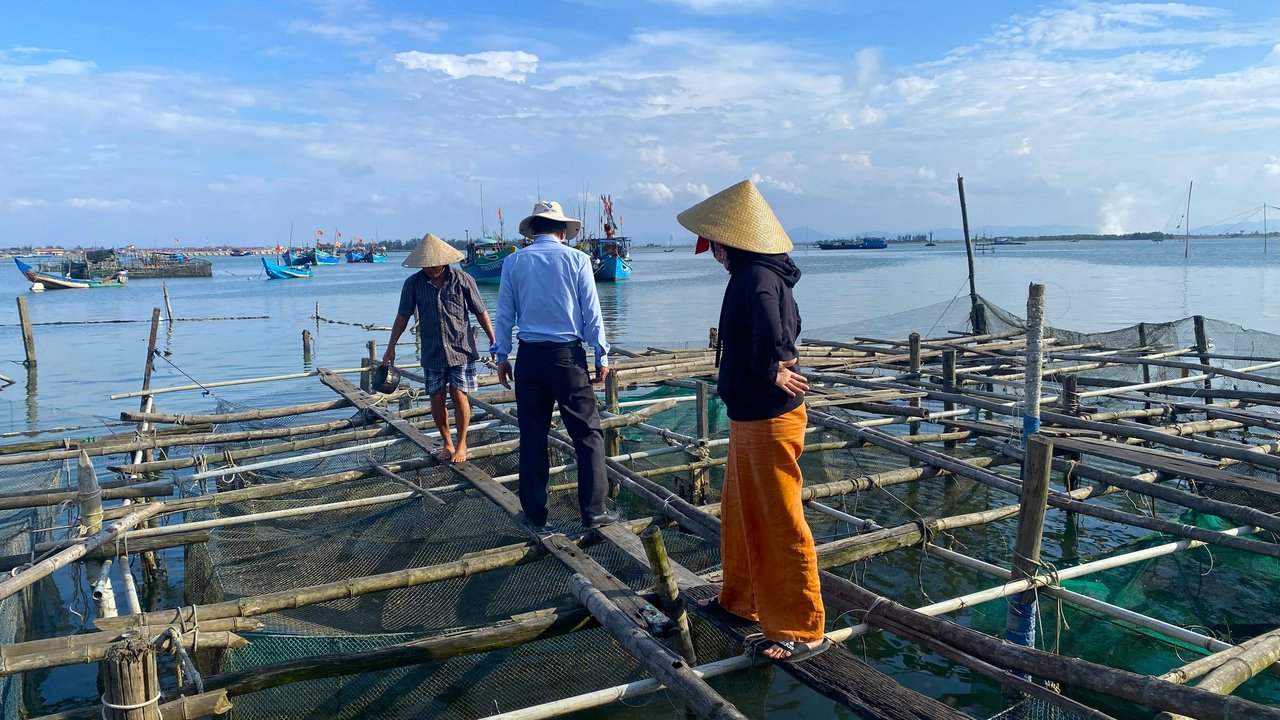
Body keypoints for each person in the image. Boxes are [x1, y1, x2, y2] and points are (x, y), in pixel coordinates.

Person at [677, 179, 830, 663]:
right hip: (750, 414)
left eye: (715, 245)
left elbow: (775, 327)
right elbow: (791, 324)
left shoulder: (756, 277)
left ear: (729, 243)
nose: (714, 254)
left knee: (779, 519)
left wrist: (773, 366)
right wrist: (774, 361)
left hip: (768, 416)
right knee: (741, 510)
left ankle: (800, 629)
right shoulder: (762, 273)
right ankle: (741, 601)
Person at [491, 200, 617, 530]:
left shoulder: (513, 263)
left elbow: (504, 314)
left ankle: (534, 514)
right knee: (587, 434)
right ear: (563, 232)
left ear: (533, 231)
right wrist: (601, 354)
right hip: (567, 358)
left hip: (529, 358)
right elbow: (592, 313)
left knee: (532, 436)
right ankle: (594, 511)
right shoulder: (578, 260)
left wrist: (502, 356)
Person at [383, 233, 496, 464]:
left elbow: (480, 311)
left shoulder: (463, 280)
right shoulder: (413, 284)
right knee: (436, 397)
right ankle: (447, 443)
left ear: (444, 261)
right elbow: (403, 316)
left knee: (459, 394)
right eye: (427, 266)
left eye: (434, 265)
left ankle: (462, 443)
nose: (431, 269)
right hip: (432, 351)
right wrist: (390, 348)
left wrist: (494, 340)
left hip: (461, 348)